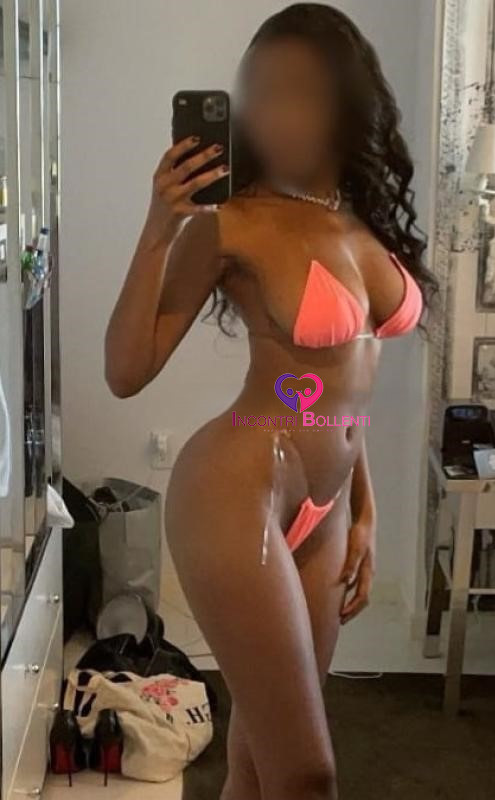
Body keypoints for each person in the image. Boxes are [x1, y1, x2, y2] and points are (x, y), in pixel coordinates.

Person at [105, 4, 435, 799]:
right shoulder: (232, 222)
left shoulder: (361, 220)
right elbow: (125, 370)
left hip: (326, 506)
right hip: (237, 489)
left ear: (346, 99)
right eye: (263, 90)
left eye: (301, 90)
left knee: (259, 762)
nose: (277, 111)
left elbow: (348, 392)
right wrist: (158, 228)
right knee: (308, 774)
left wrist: (364, 510)